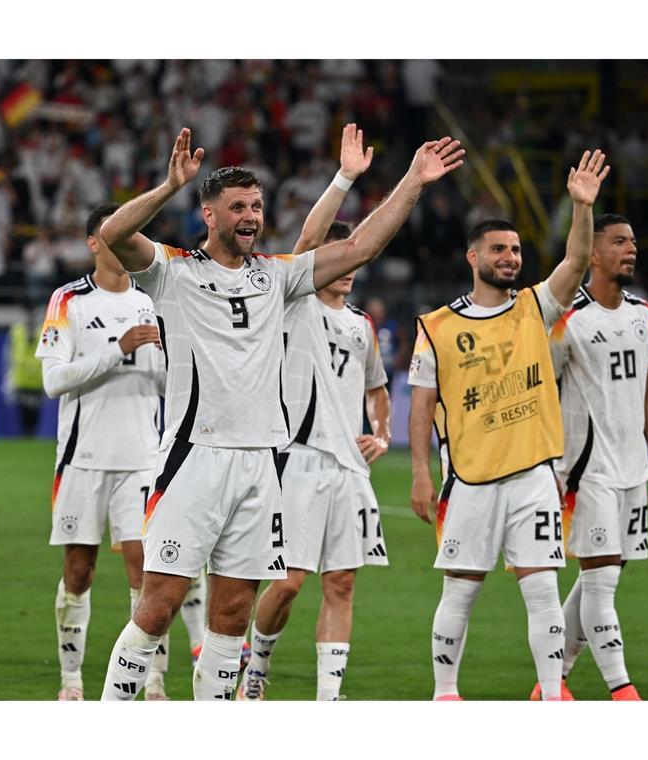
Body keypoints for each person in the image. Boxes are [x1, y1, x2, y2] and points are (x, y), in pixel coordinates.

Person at [99, 127, 463, 700]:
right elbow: (113, 233)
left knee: (234, 609)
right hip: (193, 458)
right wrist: (169, 185)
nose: (251, 216)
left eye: (258, 206)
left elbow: (360, 247)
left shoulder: (278, 275)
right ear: (211, 215)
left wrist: (412, 181)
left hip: (261, 465)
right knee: (160, 603)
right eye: (238, 207)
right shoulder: (173, 271)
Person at [407, 150, 611, 701]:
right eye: (499, 249)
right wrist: (421, 475)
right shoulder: (437, 326)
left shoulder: (534, 309)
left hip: (532, 476)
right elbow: (422, 406)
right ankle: (445, 694)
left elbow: (574, 261)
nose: (510, 257)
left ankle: (549, 695)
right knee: (460, 591)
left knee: (543, 589)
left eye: (517, 250)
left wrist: (581, 208)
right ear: (473, 256)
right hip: (469, 478)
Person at [240, 127, 393, 701]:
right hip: (297, 460)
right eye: (338, 259)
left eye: (351, 258)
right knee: (290, 582)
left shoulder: (361, 325)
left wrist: (380, 433)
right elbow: (304, 244)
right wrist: (345, 177)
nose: (347, 268)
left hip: (349, 468)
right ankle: (256, 665)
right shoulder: (294, 303)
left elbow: (378, 387)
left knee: (343, 582)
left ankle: (329, 699)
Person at [36, 202, 170, 701]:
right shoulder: (68, 301)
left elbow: (166, 381)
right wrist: (118, 348)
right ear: (95, 242)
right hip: (82, 458)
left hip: (141, 459)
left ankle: (152, 681)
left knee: (146, 571)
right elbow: (53, 380)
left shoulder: (154, 298)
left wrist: (158, 358)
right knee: (79, 571)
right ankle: (72, 681)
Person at [540, 213, 648, 701]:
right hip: (584, 470)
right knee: (602, 580)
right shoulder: (568, 318)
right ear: (593, 255)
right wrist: (550, 467)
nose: (631, 249)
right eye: (619, 241)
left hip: (632, 468)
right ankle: (622, 689)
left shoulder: (643, 314)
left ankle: (553, 677)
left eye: (633, 241)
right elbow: (544, 394)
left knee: (607, 570)